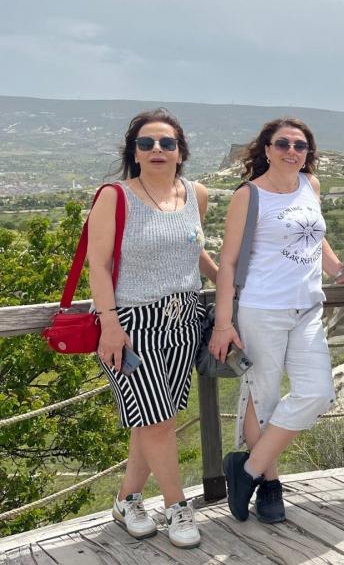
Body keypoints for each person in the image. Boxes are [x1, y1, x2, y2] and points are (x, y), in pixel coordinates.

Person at [210, 118, 344, 523]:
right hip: (263, 309)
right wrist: (224, 322)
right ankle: (269, 484)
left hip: (308, 308)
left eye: (301, 145)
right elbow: (229, 262)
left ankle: (247, 468)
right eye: (283, 143)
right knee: (264, 397)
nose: (293, 150)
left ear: (309, 153)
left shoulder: (312, 186)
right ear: (267, 149)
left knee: (318, 392)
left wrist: (340, 274)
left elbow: (314, 237)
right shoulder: (249, 195)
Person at [89, 109, 216, 548]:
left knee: (155, 419)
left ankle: (126, 500)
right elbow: (99, 266)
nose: (157, 150)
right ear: (134, 152)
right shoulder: (115, 196)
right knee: (158, 420)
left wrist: (226, 283)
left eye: (166, 143)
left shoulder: (195, 194)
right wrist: (109, 324)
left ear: (181, 151)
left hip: (185, 317)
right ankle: (177, 507)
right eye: (147, 143)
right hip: (131, 321)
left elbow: (193, 252)